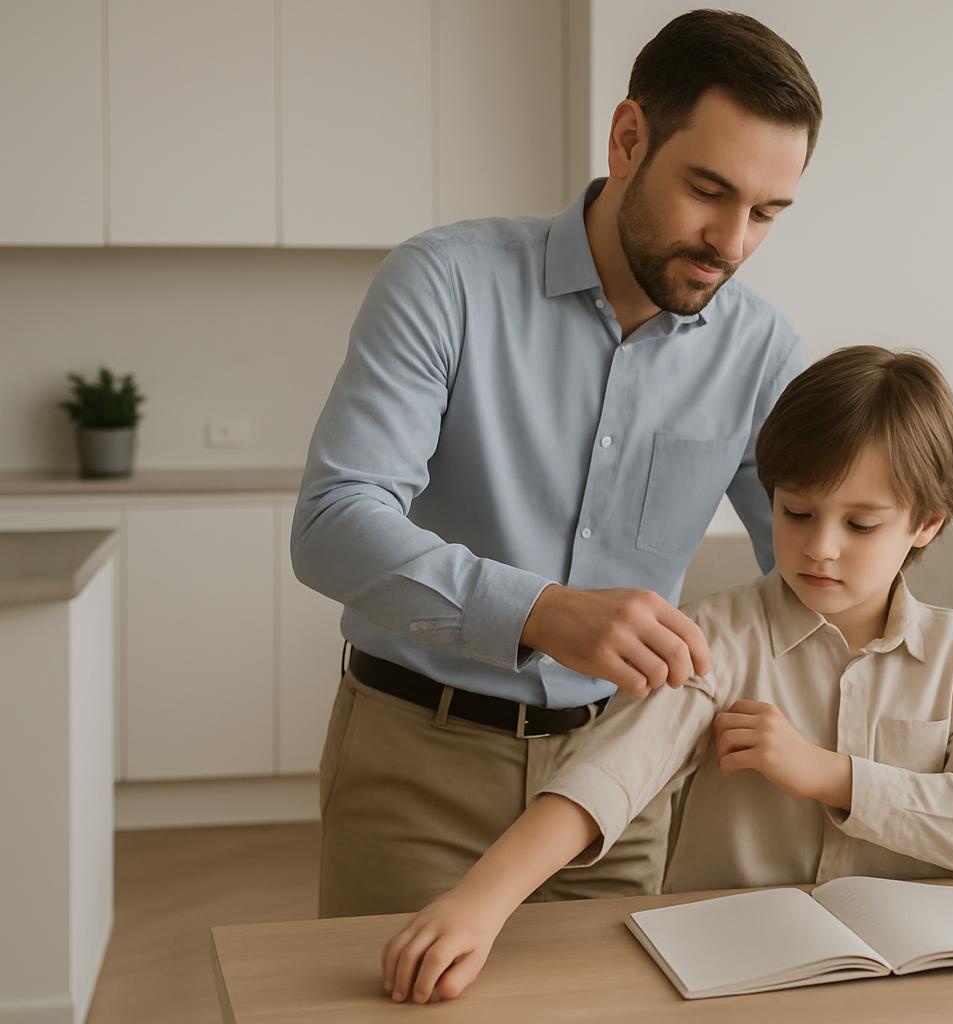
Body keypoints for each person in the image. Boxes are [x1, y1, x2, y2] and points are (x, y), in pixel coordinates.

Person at [290, 10, 822, 917]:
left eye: (766, 213)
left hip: (621, 778)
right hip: (418, 766)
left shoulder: (763, 349)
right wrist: (541, 613)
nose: (731, 244)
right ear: (628, 139)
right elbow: (333, 525)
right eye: (708, 190)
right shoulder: (445, 282)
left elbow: (810, 570)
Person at [380, 347, 953, 1004]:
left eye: (861, 523)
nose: (820, 546)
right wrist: (479, 903)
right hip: (738, 981)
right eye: (797, 512)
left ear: (926, 524)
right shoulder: (713, 639)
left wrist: (827, 775)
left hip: (920, 987)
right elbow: (607, 776)